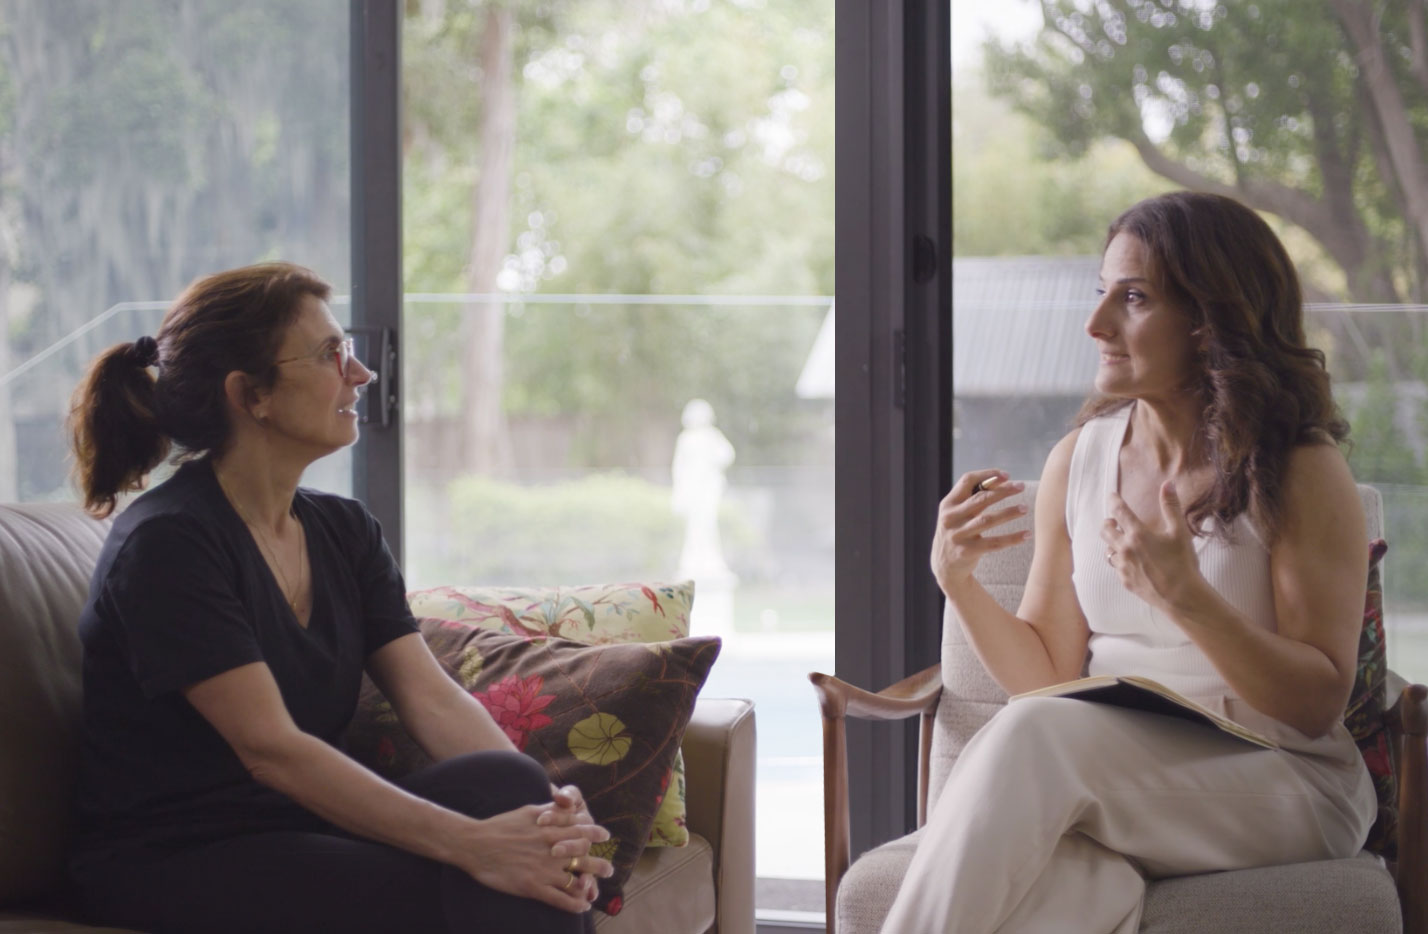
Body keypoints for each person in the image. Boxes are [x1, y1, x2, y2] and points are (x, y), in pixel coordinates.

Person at [66, 262, 613, 934]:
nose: (361, 374)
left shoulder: (344, 530)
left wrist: (553, 811)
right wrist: (475, 845)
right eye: (332, 354)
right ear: (251, 394)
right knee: (476, 875)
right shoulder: (169, 544)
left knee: (511, 792)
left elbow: (431, 697)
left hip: (303, 824)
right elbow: (271, 750)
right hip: (179, 855)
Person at [884, 192, 1377, 933]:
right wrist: (958, 584)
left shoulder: (1300, 467)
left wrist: (1187, 597)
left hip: (1286, 777)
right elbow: (1049, 675)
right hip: (1116, 776)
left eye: (1135, 297)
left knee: (1031, 737)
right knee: (1061, 882)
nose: (1096, 324)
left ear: (1211, 321)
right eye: (1102, 292)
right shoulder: (1078, 460)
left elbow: (1315, 706)